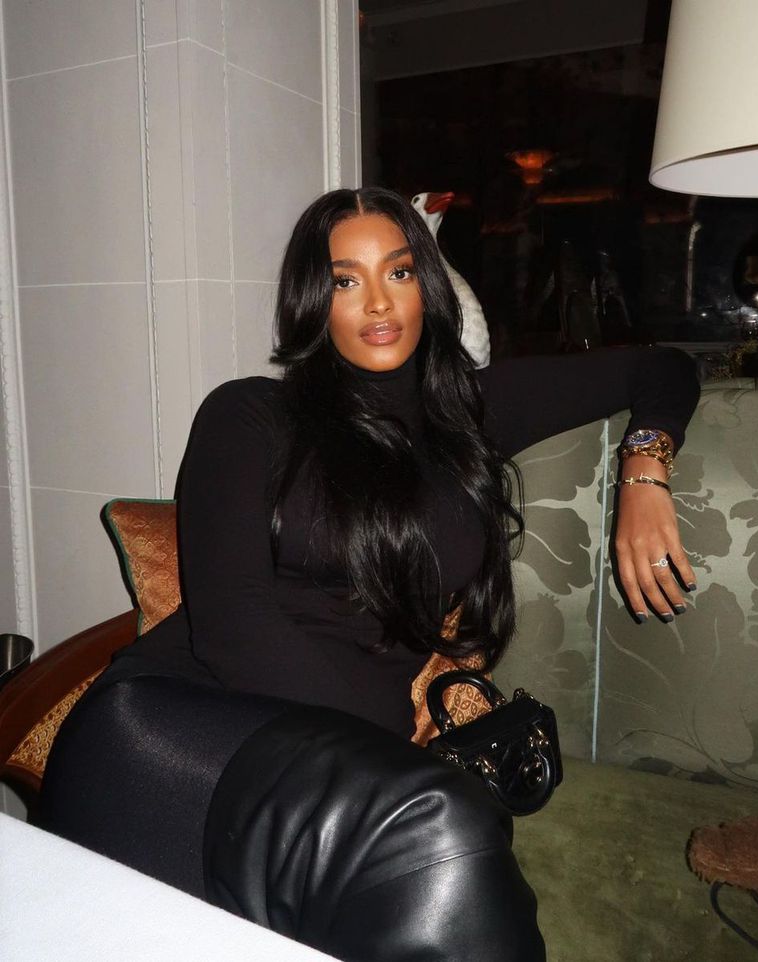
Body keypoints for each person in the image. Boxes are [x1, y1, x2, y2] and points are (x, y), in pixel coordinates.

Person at [39, 188, 699, 962]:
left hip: (333, 769)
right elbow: (234, 624)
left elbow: (663, 368)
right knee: (445, 820)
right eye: (346, 280)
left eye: (399, 272)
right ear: (313, 301)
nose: (379, 303)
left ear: (428, 285)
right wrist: (392, 758)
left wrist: (645, 470)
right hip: (176, 736)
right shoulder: (249, 415)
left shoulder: (471, 414)